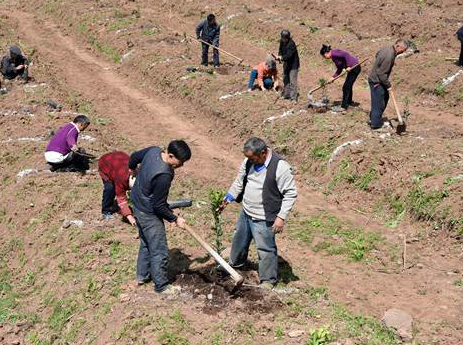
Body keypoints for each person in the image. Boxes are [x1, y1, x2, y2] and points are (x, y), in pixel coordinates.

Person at [218, 137, 297, 289]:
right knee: (239, 240)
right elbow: (239, 180)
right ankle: (236, 265)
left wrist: (281, 217)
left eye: (252, 158)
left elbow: (290, 194)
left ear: (262, 153)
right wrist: (229, 197)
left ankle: (268, 280)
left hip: (263, 216)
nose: (249, 161)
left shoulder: (280, 167)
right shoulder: (248, 161)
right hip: (246, 210)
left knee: (265, 248)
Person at [129, 140, 191, 295]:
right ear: (170, 155)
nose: (181, 165)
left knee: (146, 242)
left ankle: (142, 276)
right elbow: (158, 205)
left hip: (137, 202)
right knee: (159, 250)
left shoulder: (154, 150)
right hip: (148, 212)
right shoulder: (164, 174)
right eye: (180, 161)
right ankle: (162, 286)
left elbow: (134, 157)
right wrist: (175, 219)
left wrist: (132, 169)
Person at [368, 40, 408, 130]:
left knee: (385, 98)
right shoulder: (389, 55)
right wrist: (388, 85)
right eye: (403, 50)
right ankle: (375, 124)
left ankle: (374, 117)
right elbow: (381, 73)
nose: (403, 52)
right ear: (398, 46)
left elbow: (377, 54)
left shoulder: (387, 49)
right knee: (378, 102)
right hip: (376, 81)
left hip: (378, 79)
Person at [98, 151, 137, 225]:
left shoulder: (139, 173)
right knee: (110, 188)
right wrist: (130, 217)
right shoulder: (121, 179)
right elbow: (121, 199)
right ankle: (106, 211)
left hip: (119, 159)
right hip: (105, 164)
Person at [320, 44, 361, 112]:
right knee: (348, 86)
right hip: (351, 69)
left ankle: (343, 106)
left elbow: (346, 55)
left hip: (355, 67)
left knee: (346, 87)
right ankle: (349, 102)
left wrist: (348, 66)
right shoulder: (333, 57)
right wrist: (333, 77)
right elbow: (339, 69)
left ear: (327, 53)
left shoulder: (335, 53)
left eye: (324, 56)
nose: (325, 58)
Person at [277, 30, 300, 101]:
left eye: (284, 38)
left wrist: (282, 58)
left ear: (287, 38)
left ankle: (293, 97)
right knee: (285, 79)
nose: (283, 39)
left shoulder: (291, 44)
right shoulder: (281, 42)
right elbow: (280, 50)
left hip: (293, 65)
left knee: (293, 81)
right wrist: (279, 56)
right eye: (282, 38)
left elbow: (289, 55)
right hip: (286, 63)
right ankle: (286, 94)